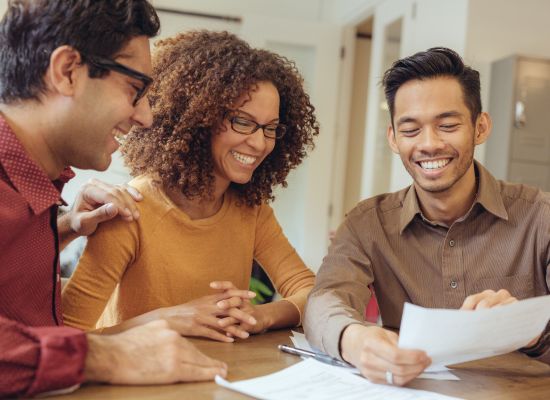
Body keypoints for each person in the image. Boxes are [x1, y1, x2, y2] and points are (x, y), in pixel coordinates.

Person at [0, 1, 227, 397]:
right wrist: (107, 355)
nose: (145, 117)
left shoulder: (37, 185)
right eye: (135, 89)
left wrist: (66, 226)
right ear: (68, 71)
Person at [304, 47, 550, 386]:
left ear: (480, 127)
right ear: (393, 138)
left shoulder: (541, 218)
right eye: (410, 130)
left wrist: (527, 329)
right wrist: (353, 338)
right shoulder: (366, 223)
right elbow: (324, 299)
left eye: (447, 125)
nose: (429, 144)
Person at [62, 31, 318, 342]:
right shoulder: (132, 208)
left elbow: (310, 292)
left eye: (271, 128)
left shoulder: (252, 212)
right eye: (242, 121)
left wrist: (259, 315)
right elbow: (67, 336)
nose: (260, 142)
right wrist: (165, 322)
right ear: (200, 118)